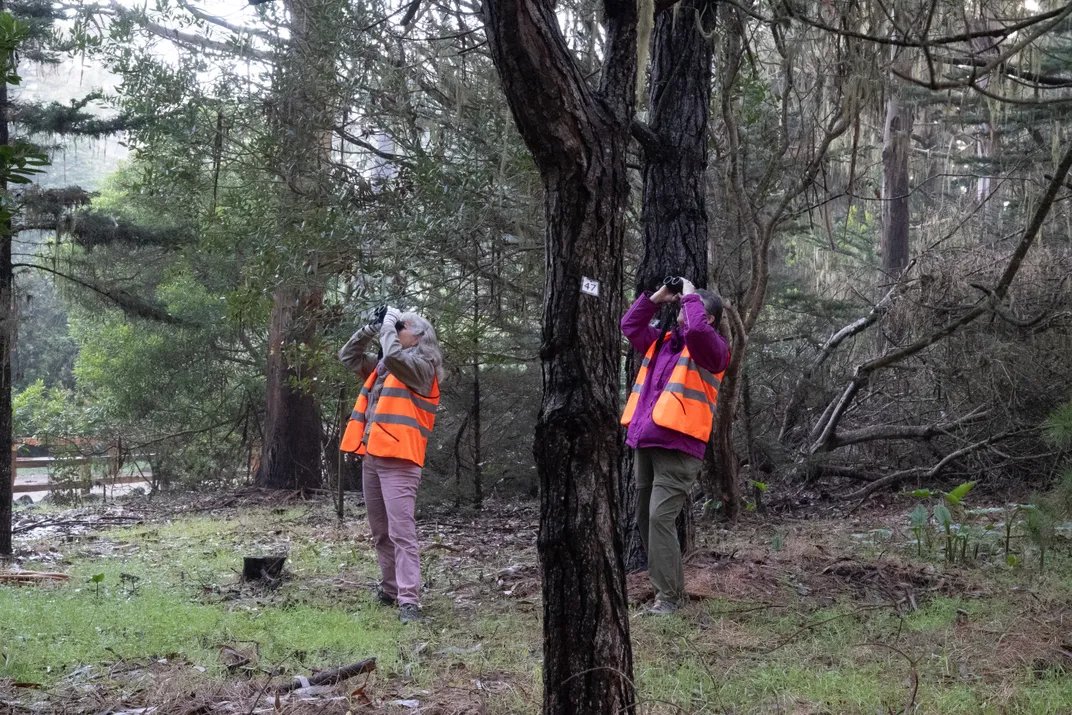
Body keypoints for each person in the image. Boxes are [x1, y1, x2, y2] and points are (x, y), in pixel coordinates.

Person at [620, 277, 730, 615]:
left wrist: (690, 293)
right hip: (646, 439)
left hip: (679, 447)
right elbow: (630, 325)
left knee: (659, 517)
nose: (683, 309)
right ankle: (663, 594)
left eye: (690, 306)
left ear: (706, 317)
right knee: (644, 518)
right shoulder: (663, 342)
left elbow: (697, 331)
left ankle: (669, 599)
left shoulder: (713, 350)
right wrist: (655, 299)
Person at [339, 306, 445, 624]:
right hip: (373, 457)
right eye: (395, 326)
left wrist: (387, 326)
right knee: (381, 532)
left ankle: (409, 601)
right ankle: (390, 590)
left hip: (400, 461)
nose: (396, 330)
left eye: (402, 326)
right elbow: (348, 356)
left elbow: (396, 358)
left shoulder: (423, 368)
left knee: (402, 532)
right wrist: (371, 329)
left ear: (419, 337)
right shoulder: (386, 367)